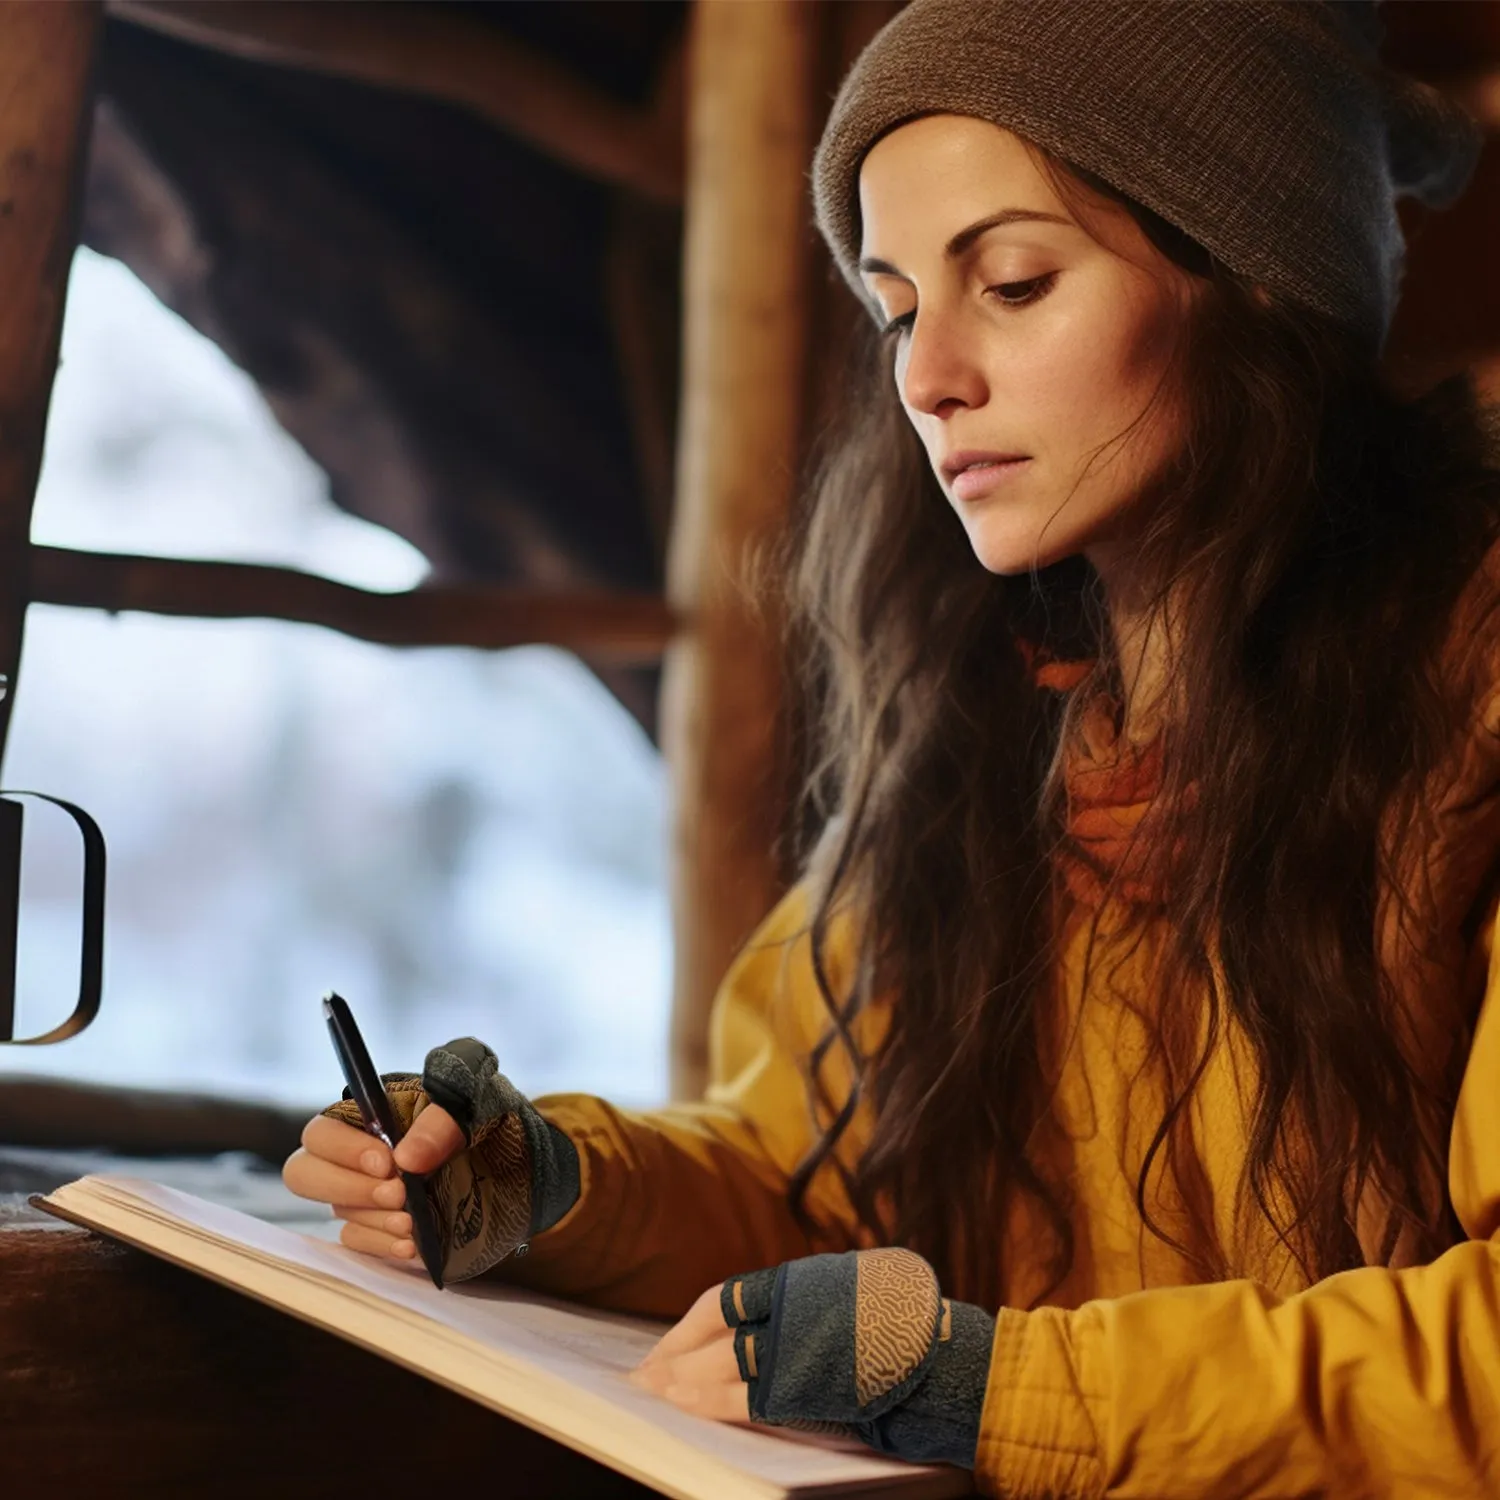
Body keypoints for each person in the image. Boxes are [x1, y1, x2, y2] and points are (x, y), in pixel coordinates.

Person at [283, 2, 1500, 1492]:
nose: (929, 380)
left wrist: (992, 1384)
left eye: (1015, 280)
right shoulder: (989, 730)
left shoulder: (1475, 713)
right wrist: (545, 1181)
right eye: (900, 306)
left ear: (1255, 279)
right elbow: (814, 1174)